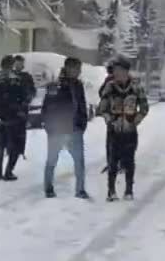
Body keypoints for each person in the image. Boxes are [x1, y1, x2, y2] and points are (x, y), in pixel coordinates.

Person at [98, 57, 148, 201]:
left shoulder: (136, 87)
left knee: (130, 160)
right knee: (112, 161)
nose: (117, 74)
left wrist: (137, 119)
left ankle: (129, 190)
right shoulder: (110, 87)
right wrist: (109, 120)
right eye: (115, 71)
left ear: (126, 72)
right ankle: (111, 191)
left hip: (130, 129)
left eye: (120, 71)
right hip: (114, 130)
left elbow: (144, 107)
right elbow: (103, 108)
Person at [42, 57, 90, 199]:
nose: (79, 72)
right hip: (57, 129)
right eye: (76, 69)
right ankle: (48, 188)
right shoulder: (55, 85)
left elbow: (82, 105)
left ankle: (80, 189)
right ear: (68, 68)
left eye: (79, 69)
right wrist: (49, 126)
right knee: (51, 160)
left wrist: (82, 123)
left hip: (75, 129)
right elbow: (47, 108)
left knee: (79, 161)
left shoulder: (78, 85)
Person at [0, 55, 31, 181]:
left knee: (1, 143)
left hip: (0, 116)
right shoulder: (17, 80)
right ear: (12, 65)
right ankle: (8, 171)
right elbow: (24, 97)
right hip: (15, 117)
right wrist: (20, 109)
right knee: (16, 144)